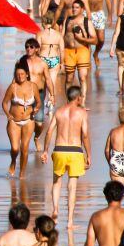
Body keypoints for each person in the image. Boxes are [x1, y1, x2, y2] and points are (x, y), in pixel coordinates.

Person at [40, 85, 90, 224]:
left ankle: (55, 209)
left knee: (56, 182)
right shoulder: (82, 113)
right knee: (72, 186)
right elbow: (85, 134)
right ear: (78, 98)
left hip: (59, 149)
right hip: (75, 151)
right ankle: (69, 221)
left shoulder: (59, 111)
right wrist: (89, 154)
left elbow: (49, 131)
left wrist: (45, 151)